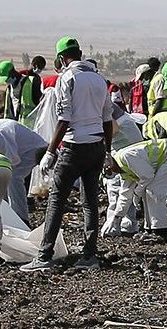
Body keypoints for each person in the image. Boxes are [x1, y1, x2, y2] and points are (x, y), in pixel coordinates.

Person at [24, 38, 114, 272]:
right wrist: (108, 152)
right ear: (80, 53)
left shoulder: (68, 78)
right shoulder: (99, 79)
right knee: (90, 202)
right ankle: (89, 256)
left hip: (74, 147)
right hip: (96, 147)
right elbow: (107, 119)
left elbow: (64, 119)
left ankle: (44, 256)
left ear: (62, 58)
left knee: (56, 200)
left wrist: (51, 151)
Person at [109, 131, 167, 241]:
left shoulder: (126, 157)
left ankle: (161, 230)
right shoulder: (123, 169)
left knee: (154, 190)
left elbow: (148, 176)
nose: (111, 172)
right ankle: (149, 228)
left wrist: (137, 193)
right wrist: (116, 218)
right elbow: (125, 195)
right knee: (147, 190)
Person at [0, 116, 46, 223]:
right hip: (23, 148)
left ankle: (21, 218)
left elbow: (12, 161)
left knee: (14, 178)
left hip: (34, 150)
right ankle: (6, 215)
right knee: (4, 178)